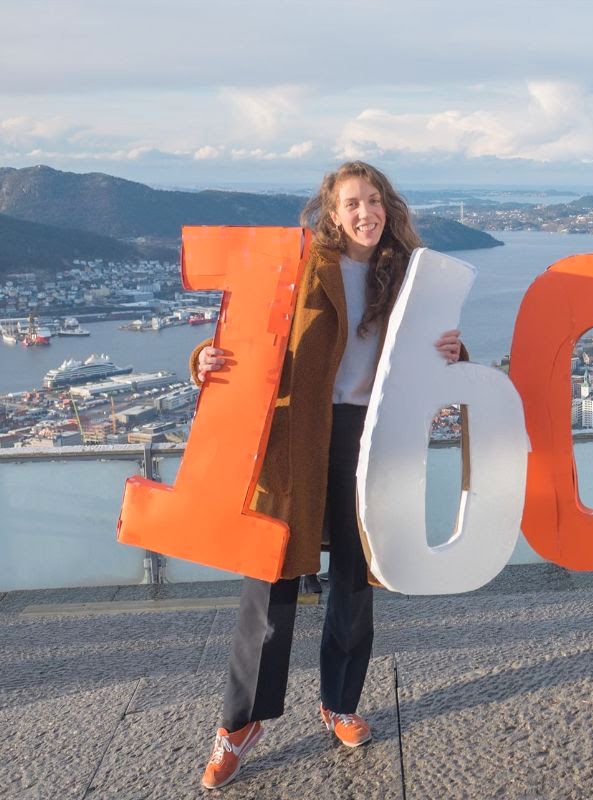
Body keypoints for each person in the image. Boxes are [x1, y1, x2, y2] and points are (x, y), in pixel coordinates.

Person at [195, 161, 464, 789]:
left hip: (370, 437)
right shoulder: (304, 265)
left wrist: (458, 353)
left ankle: (340, 702)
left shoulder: (409, 273)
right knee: (270, 581)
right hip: (299, 437)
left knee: (353, 577)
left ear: (388, 206)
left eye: (374, 199)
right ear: (332, 214)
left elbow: (437, 350)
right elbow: (249, 333)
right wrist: (204, 357)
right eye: (351, 203)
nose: (365, 212)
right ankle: (239, 724)